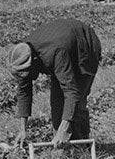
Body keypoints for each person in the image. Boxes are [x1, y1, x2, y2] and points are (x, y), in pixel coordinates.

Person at [8, 17, 102, 146]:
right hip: (65, 44)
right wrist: (22, 129)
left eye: (28, 73)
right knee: (57, 104)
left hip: (84, 46)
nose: (26, 76)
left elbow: (71, 92)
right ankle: (64, 147)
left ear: (34, 61)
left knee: (77, 102)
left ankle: (82, 148)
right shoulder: (24, 54)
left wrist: (63, 129)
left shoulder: (56, 53)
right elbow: (24, 91)